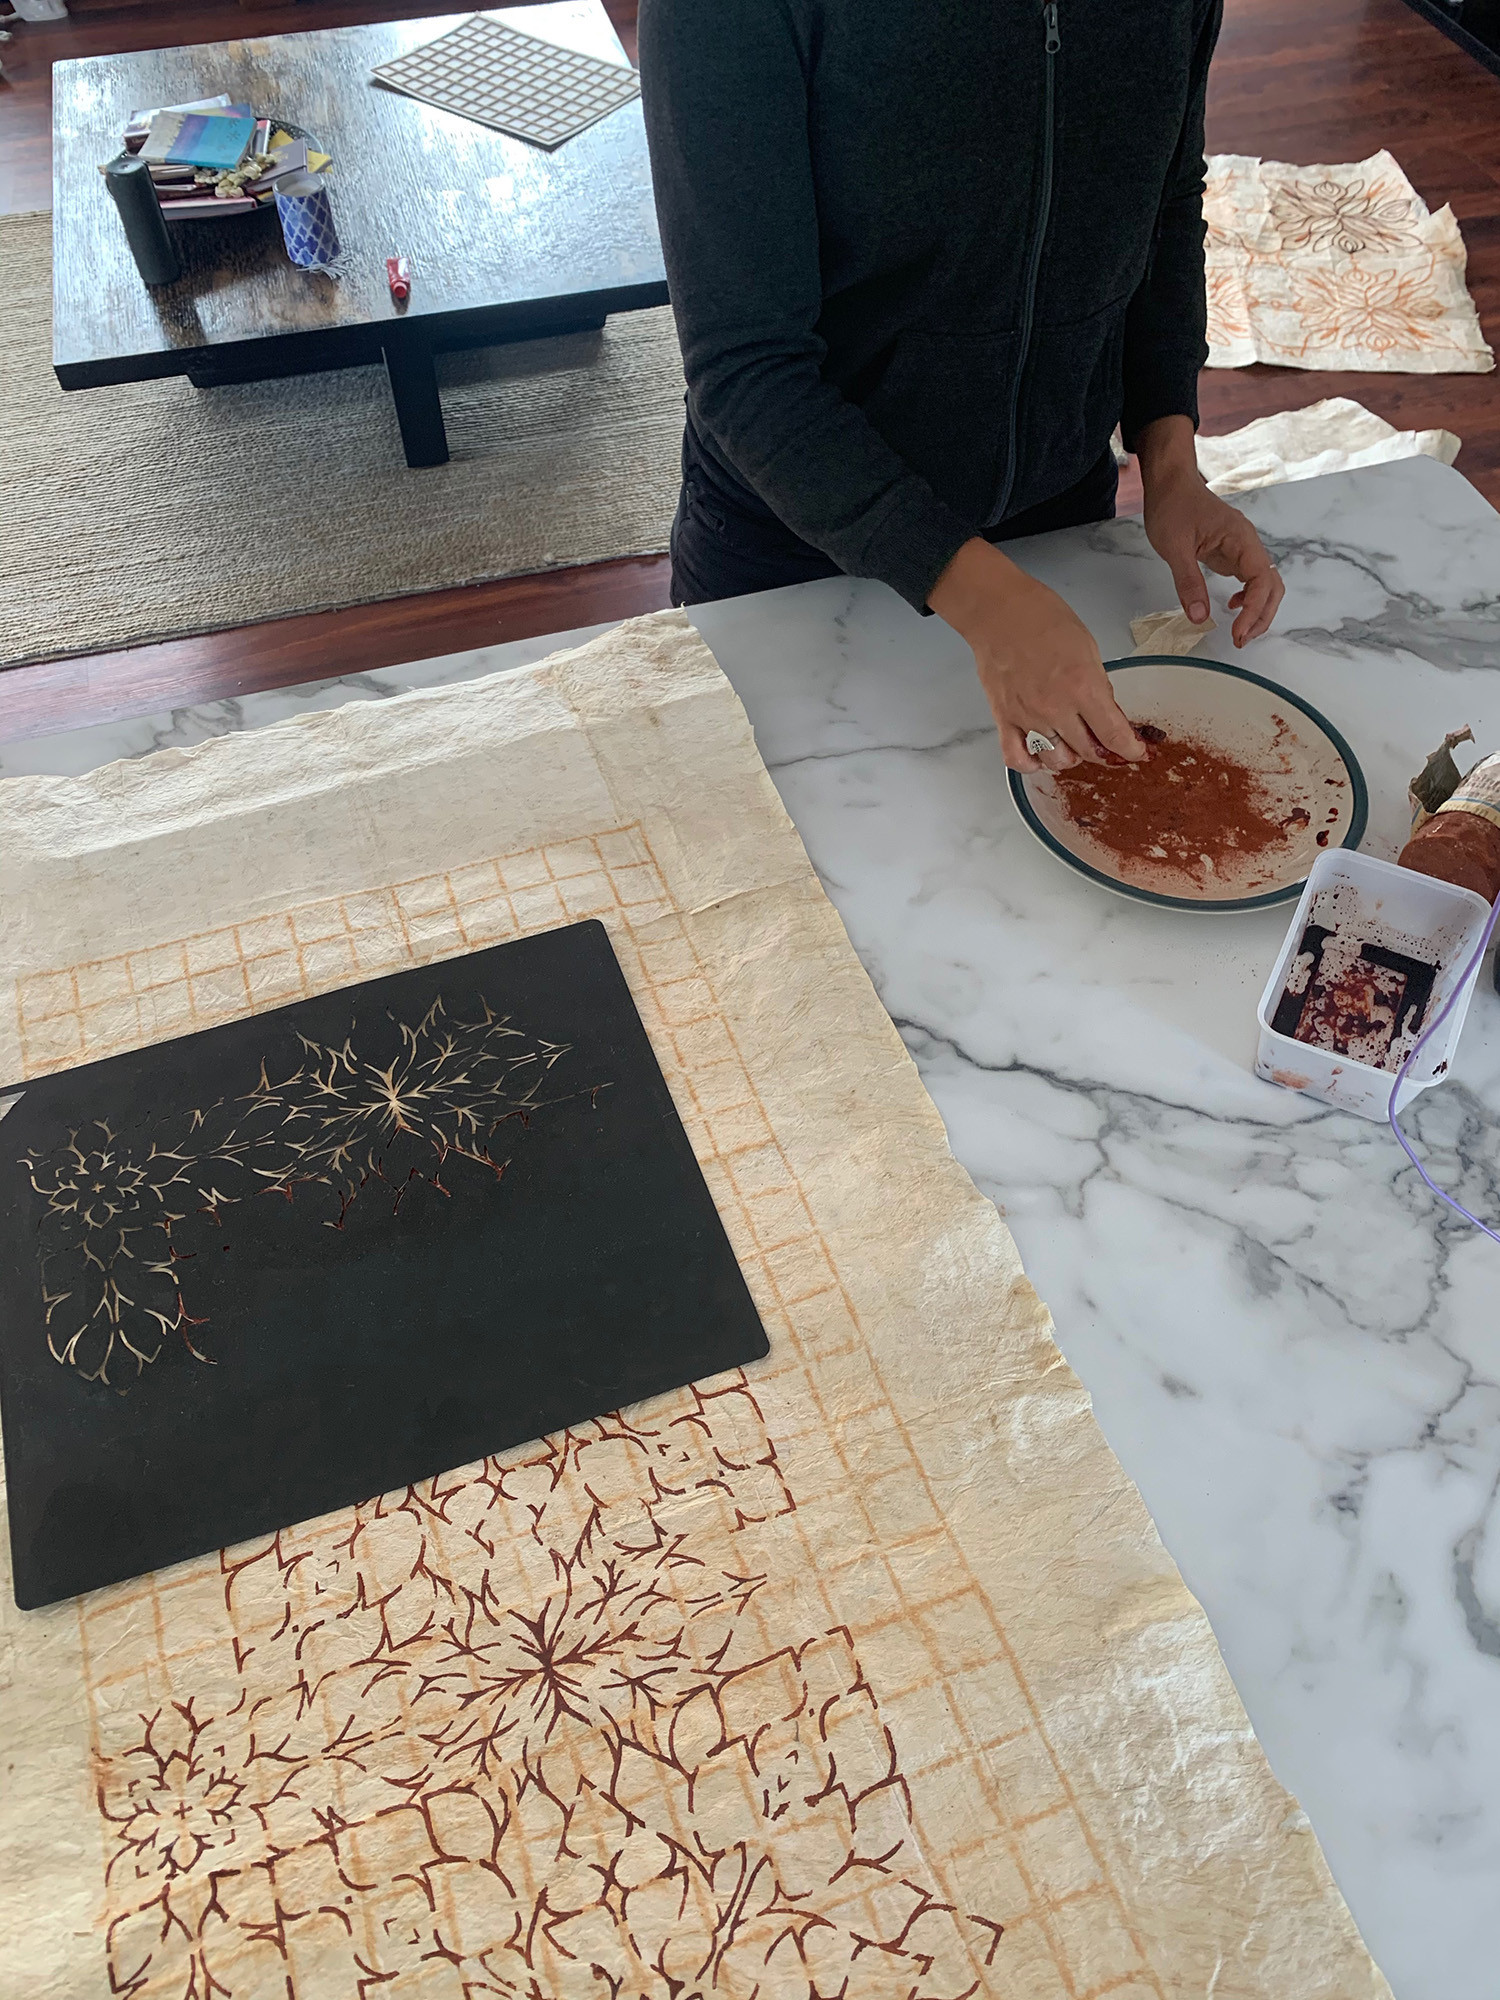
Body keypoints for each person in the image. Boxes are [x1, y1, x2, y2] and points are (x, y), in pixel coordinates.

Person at [637, 0, 1285, 774]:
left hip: (1055, 532)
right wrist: (984, 598)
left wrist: (1171, 462)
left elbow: (1166, 204)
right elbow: (746, 363)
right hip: (797, 555)